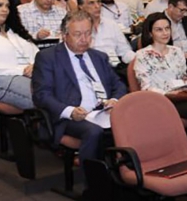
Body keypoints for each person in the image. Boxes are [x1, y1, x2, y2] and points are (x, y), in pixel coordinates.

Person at [32, 10, 126, 168]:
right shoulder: (48, 58)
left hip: (103, 111)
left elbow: (119, 84)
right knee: (94, 132)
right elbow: (42, 95)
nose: (84, 39)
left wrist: (115, 100)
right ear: (64, 34)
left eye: (88, 33)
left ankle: (127, 170)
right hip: (71, 116)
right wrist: (70, 111)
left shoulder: (99, 57)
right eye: (77, 34)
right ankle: (92, 179)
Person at [134, 13, 187, 123]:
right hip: (163, 101)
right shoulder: (142, 55)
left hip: (183, 98)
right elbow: (146, 88)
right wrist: (171, 94)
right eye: (159, 30)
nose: (165, 33)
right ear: (150, 33)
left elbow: (183, 78)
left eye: (167, 28)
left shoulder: (176, 51)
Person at [77, 0, 135, 78]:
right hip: (88, 71)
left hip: (113, 69)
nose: (97, 6)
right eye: (91, 3)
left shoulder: (111, 24)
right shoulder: (76, 27)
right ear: (81, 6)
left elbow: (125, 51)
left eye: (99, 2)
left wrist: (140, 58)